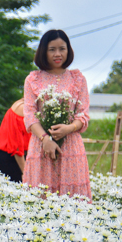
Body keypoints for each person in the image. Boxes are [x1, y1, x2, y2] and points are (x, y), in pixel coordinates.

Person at [23, 29, 92, 201]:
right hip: (41, 147)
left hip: (71, 146)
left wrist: (68, 128)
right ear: (43, 51)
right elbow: (30, 115)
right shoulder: (32, 79)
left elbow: (83, 115)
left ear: (68, 50)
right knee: (39, 201)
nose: (58, 54)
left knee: (74, 204)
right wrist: (46, 139)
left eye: (62, 48)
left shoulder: (78, 79)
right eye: (52, 49)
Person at [0, 99, 31, 183]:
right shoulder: (21, 109)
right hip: (12, 160)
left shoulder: (25, 106)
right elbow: (16, 147)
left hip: (14, 158)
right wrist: (25, 172)